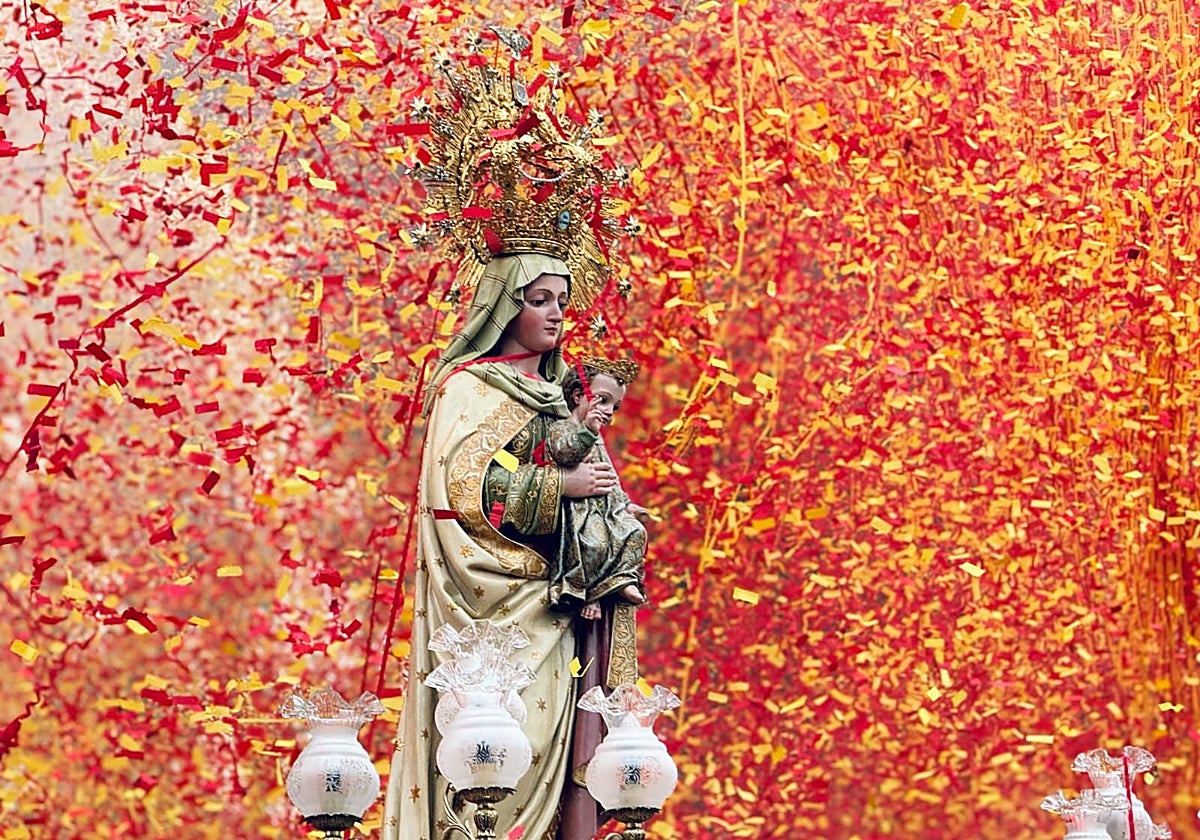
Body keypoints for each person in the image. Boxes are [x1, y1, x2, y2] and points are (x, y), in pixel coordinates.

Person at [383, 254, 629, 840]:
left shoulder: (560, 394)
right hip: (488, 596)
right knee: (488, 739)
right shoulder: (467, 388)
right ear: (503, 304)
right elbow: (462, 491)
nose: (555, 315)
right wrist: (558, 487)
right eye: (538, 299)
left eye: (562, 302)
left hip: (553, 598)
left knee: (546, 739)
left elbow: (593, 473)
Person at [543, 358, 649, 618]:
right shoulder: (561, 428)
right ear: (579, 395)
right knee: (595, 543)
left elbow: (609, 472)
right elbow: (565, 455)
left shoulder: (597, 437)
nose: (610, 411)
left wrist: (624, 504)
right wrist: (587, 432)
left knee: (635, 532)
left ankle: (619, 582)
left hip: (607, 507)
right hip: (582, 510)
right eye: (603, 400)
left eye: (615, 406)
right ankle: (589, 594)